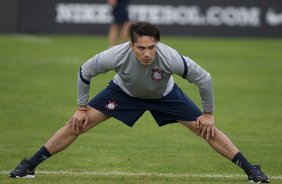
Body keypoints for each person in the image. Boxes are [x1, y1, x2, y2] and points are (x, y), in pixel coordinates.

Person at [9, 22, 269, 183]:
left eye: (151, 47)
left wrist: (208, 113)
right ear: (130, 45)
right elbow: (84, 72)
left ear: (157, 44)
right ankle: (29, 165)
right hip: (124, 93)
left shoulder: (170, 57)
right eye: (141, 48)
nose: (147, 53)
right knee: (78, 123)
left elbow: (204, 79)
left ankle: (251, 171)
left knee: (206, 128)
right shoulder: (115, 55)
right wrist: (80, 107)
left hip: (165, 96)